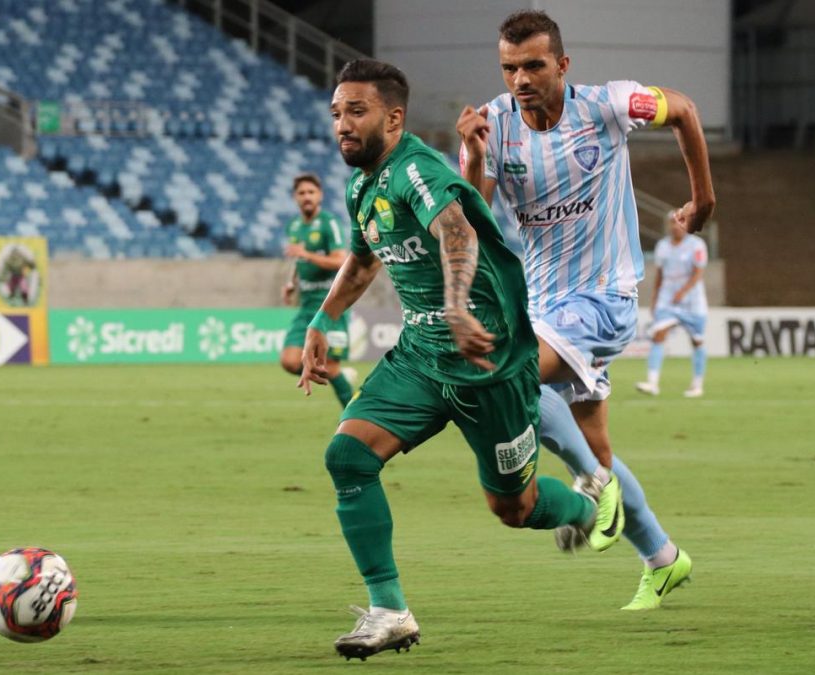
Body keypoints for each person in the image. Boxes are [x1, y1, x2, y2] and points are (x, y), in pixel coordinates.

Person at [301, 58, 619, 661]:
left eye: (357, 111)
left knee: (513, 508)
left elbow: (457, 230)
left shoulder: (414, 170)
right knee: (347, 456)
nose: (342, 124)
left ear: (394, 119)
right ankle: (390, 610)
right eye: (337, 113)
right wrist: (325, 317)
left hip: (487, 363)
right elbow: (365, 257)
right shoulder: (361, 183)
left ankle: (587, 501)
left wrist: (454, 303)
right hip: (421, 355)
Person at [456, 9, 715, 609]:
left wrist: (703, 197)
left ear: (562, 65)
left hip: (605, 297)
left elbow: (685, 110)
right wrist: (470, 157)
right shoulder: (493, 124)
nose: (520, 79)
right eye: (509, 68)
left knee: (511, 376)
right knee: (594, 442)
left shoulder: (609, 104)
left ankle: (592, 488)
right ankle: (662, 558)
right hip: (544, 307)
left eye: (533, 66)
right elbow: (472, 219)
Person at [279, 173, 356, 408]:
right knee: (290, 361)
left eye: (311, 192)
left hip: (330, 305)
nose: (306, 197)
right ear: (295, 198)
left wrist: (307, 255)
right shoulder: (293, 226)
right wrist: (291, 283)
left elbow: (340, 261)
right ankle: (340, 377)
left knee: (330, 367)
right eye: (301, 193)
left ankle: (355, 416)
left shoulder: (329, 223)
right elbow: (297, 262)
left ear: (320, 195)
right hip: (306, 306)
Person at [636, 213, 710, 397]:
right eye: (672, 223)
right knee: (658, 335)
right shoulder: (662, 246)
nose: (675, 226)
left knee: (697, 341)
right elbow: (659, 275)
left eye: (679, 222)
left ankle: (697, 384)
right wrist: (654, 299)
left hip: (693, 303)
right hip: (668, 300)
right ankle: (652, 383)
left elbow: (698, 272)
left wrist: (683, 291)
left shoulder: (696, 245)